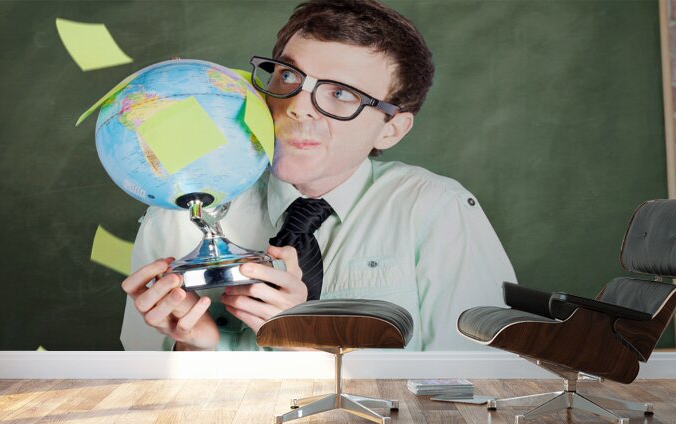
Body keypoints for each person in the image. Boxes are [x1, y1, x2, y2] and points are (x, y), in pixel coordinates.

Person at [120, 0, 516, 352]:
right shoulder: (182, 208)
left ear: (389, 130)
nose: (298, 107)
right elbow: (145, 386)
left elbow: (477, 384)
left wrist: (309, 342)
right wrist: (199, 346)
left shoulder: (437, 211)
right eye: (288, 77)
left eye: (341, 94)